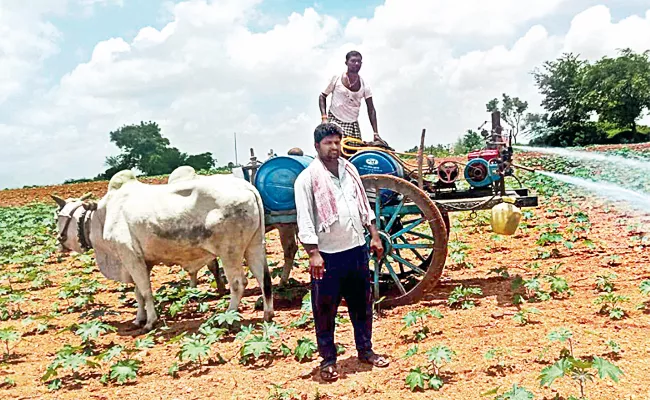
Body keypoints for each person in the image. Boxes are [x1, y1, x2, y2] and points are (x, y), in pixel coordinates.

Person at [293, 122, 390, 382]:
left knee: (362, 305)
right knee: (325, 310)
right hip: (328, 256)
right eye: (328, 143)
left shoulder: (350, 169)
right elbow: (305, 219)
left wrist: (375, 235)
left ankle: (365, 350)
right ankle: (328, 360)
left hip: (357, 249)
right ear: (317, 146)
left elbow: (362, 204)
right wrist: (313, 253)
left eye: (337, 142)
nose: (334, 147)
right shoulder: (307, 179)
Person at [319, 51, 384, 145]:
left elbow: (371, 109)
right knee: (335, 148)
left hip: (352, 123)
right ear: (346, 63)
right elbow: (322, 96)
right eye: (353, 61)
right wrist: (324, 118)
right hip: (335, 119)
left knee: (354, 152)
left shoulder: (365, 85)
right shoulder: (336, 78)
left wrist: (375, 133)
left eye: (359, 61)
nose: (356, 64)